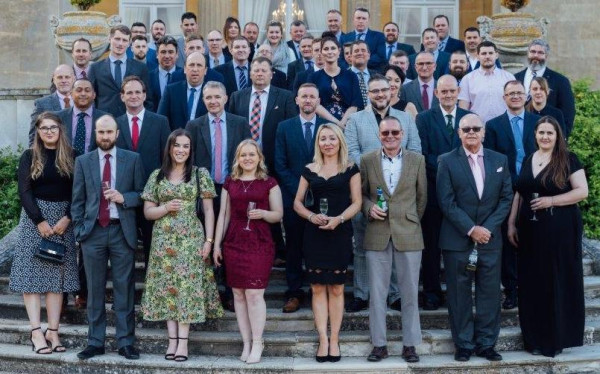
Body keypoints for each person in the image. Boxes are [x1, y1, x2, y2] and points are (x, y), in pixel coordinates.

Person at [140, 129, 223, 362]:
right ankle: (172, 341)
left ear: (191, 150)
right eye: (177, 145)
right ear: (169, 148)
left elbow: (208, 210)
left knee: (186, 288)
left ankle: (183, 344)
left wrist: (209, 241)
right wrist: (165, 208)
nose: (181, 150)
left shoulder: (199, 174)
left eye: (186, 146)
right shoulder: (157, 175)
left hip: (190, 239)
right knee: (168, 288)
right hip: (163, 240)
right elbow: (147, 212)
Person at [507, 116, 588, 357]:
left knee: (555, 281)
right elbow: (520, 193)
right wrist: (512, 223)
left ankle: (554, 339)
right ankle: (533, 338)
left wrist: (551, 200)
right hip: (530, 231)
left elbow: (582, 192)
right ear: (535, 135)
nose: (545, 137)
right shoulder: (530, 159)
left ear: (557, 136)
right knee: (532, 282)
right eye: (541, 132)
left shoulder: (568, 159)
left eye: (550, 133)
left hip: (559, 231)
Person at [437, 113, 513, 362]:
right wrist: (471, 229)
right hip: (457, 240)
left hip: (490, 240)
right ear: (459, 133)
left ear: (483, 132)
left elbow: (506, 198)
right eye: (466, 128)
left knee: (489, 294)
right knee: (459, 295)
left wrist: (486, 229)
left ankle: (487, 344)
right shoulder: (446, 161)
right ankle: (464, 345)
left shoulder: (499, 160)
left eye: (475, 128)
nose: (471, 132)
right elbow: (446, 202)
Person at [345, 75, 421, 313]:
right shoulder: (356, 120)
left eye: (383, 90)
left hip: (400, 192)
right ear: (368, 93)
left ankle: (395, 294)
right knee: (362, 245)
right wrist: (376, 167)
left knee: (397, 244)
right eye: (374, 91)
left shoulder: (405, 119)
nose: (379, 95)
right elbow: (351, 152)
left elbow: (415, 151)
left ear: (391, 92)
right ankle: (362, 293)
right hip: (364, 192)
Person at [71, 115, 145, 360]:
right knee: (94, 289)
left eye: (109, 132)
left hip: (121, 230)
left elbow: (142, 193)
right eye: (100, 132)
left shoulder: (132, 159)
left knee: (125, 289)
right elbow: (78, 201)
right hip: (93, 233)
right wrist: (81, 231)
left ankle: (125, 343)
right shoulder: (83, 161)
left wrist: (124, 198)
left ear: (117, 133)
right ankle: (95, 342)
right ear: (95, 133)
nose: (105, 136)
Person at [10, 112, 78, 355]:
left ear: (60, 130)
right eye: (44, 128)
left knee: (56, 282)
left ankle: (53, 331)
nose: (49, 131)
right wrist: (39, 220)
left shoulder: (72, 156)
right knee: (31, 279)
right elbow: (24, 190)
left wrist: (67, 217)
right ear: (37, 131)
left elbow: (77, 192)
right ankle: (36, 332)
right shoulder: (29, 156)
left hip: (63, 221)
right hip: (34, 219)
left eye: (53, 127)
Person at [293, 124, 361, 362]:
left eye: (332, 138)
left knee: (337, 287)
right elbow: (297, 203)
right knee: (317, 287)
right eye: (323, 139)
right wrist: (311, 216)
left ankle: (335, 339)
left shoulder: (351, 168)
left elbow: (357, 202)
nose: (328, 142)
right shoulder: (309, 169)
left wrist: (339, 219)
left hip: (339, 233)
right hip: (314, 234)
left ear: (340, 141)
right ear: (318, 142)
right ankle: (323, 338)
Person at [361, 116, 426, 363]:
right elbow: (363, 194)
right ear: (379, 134)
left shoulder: (417, 160)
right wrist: (368, 208)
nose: (390, 137)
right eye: (386, 133)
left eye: (395, 133)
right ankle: (379, 344)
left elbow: (422, 199)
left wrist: (407, 219)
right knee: (377, 294)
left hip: (409, 233)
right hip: (377, 233)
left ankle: (410, 344)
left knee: (410, 293)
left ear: (403, 134)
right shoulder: (367, 161)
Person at [213, 139, 284, 364]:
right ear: (238, 159)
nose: (248, 158)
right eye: (243, 155)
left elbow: (278, 214)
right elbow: (223, 215)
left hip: (259, 242)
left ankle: (257, 341)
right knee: (238, 295)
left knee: (254, 293)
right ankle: (245, 342)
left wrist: (263, 213)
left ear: (259, 158)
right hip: (234, 242)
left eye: (252, 154)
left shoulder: (269, 183)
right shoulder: (229, 182)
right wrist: (216, 244)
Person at [416, 74, 471, 310]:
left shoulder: (468, 119)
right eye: (443, 91)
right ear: (436, 93)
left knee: (459, 246)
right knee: (431, 246)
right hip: (433, 192)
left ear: (458, 92)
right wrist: (447, 167)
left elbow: (472, 149)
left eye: (452, 91)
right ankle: (431, 292)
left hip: (462, 194)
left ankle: (458, 291)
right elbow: (422, 153)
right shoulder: (424, 119)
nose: (448, 95)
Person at [484, 80, 540, 310]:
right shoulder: (494, 125)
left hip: (534, 189)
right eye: (510, 93)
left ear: (526, 96)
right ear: (504, 97)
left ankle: (533, 287)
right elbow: (491, 160)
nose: (515, 96)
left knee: (534, 239)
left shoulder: (539, 122)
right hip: (505, 191)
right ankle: (511, 290)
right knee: (508, 243)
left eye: (519, 93)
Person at [275, 83, 326, 313]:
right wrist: (300, 190)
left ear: (318, 101)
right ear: (296, 100)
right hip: (293, 198)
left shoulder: (328, 128)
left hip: (323, 198)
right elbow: (280, 164)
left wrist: (316, 187)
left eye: (312, 97)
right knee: (294, 247)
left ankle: (319, 292)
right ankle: (294, 293)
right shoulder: (284, 128)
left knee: (318, 247)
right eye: (304, 96)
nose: (307, 100)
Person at [116, 76, 170, 270]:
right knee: (124, 248)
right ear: (122, 97)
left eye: (138, 92)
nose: (134, 96)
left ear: (144, 95)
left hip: (153, 195)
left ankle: (152, 293)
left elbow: (167, 158)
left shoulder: (160, 122)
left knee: (152, 245)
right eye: (129, 92)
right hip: (124, 196)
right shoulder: (114, 123)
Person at [514, 39, 575, 137]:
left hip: (549, 138)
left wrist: (561, 138)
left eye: (540, 53)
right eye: (533, 52)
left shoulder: (560, 81)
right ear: (527, 53)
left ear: (546, 56)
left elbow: (568, 113)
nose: (536, 56)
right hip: (522, 137)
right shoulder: (516, 78)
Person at [88, 25, 152, 117]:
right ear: (109, 39)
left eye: (124, 40)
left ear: (129, 43)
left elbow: (148, 100)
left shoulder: (141, 68)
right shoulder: (95, 68)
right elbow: (90, 98)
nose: (120, 43)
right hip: (104, 122)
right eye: (117, 39)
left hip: (132, 121)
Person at [158, 51, 225, 131]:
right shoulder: (171, 91)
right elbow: (161, 120)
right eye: (191, 65)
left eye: (199, 65)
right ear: (185, 69)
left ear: (205, 70)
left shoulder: (212, 93)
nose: (195, 69)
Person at [308, 37, 363, 129]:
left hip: (348, 125)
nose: (330, 52)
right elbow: (315, 104)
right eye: (326, 49)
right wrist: (337, 123)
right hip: (323, 125)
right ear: (321, 52)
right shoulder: (313, 77)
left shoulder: (351, 76)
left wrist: (343, 123)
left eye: (333, 48)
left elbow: (356, 103)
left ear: (339, 51)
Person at [458, 41, 515, 123]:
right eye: (484, 53)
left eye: (490, 53)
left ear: (496, 55)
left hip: (504, 127)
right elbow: (463, 108)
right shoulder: (467, 79)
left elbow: (514, 104)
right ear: (478, 56)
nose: (487, 56)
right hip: (477, 128)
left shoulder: (509, 78)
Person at [29, 65, 75, 144]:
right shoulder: (41, 104)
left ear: (73, 79)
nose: (64, 80)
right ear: (54, 80)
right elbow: (34, 135)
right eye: (60, 77)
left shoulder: (83, 102)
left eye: (67, 77)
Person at [149, 36, 184, 112]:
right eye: (163, 52)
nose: (167, 56)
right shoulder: (148, 77)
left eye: (171, 52)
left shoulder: (185, 76)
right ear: (157, 54)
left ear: (177, 54)